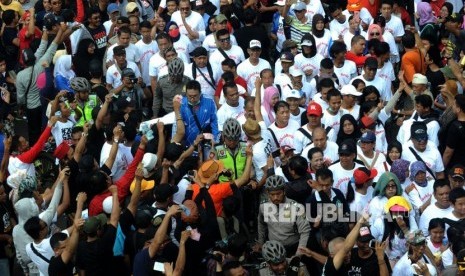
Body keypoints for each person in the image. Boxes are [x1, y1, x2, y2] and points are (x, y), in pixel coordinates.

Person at [256, 175, 311, 256]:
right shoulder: (263, 207)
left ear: (284, 191)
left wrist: (298, 255)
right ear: (267, 193)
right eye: (272, 194)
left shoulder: (296, 207)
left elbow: (305, 231)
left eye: (278, 194)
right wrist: (260, 242)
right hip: (274, 248)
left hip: (293, 248)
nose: (275, 197)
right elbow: (261, 224)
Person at [176, 80, 219, 146]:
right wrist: (177, 143)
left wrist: (215, 139)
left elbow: (214, 122)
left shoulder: (209, 103)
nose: (192, 99)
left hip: (204, 144)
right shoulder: (181, 104)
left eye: (195, 96)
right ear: (186, 94)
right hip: (186, 145)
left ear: (200, 93)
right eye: (190, 96)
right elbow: (176, 126)